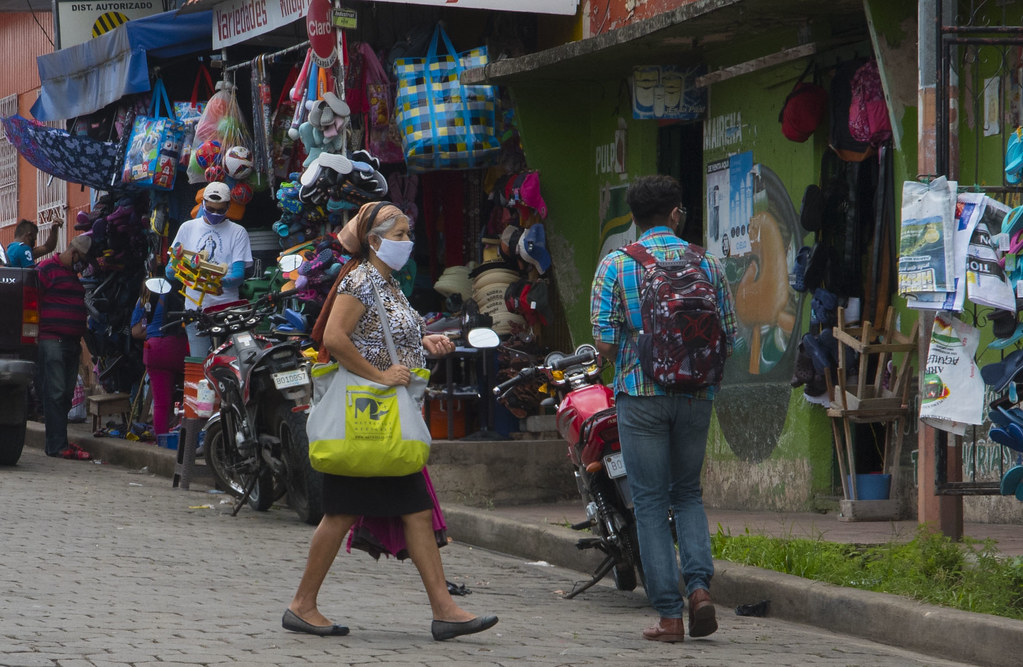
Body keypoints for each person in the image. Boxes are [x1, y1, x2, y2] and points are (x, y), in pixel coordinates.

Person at [285, 201, 498, 641]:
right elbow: (334, 338)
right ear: (375, 240)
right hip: (367, 419)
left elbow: (388, 334)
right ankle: (303, 605)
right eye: (400, 234)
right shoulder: (362, 280)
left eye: (407, 232)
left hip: (383, 423)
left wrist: (426, 340)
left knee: (415, 511)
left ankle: (444, 610)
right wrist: (381, 374)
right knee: (343, 513)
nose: (408, 241)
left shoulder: (388, 284)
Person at [590, 175, 737, 643]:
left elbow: (605, 340)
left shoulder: (616, 265)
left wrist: (639, 359)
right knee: (687, 494)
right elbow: (730, 335)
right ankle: (699, 590)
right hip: (697, 396)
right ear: (675, 213)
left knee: (650, 502)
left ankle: (670, 617)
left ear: (633, 218)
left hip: (641, 395)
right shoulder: (707, 263)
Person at [166, 182, 252, 357]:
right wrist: (181, 272)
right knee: (199, 363)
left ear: (229, 206)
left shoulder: (238, 232)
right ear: (202, 203)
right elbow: (170, 267)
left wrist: (215, 280)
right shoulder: (187, 228)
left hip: (227, 310)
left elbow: (238, 275)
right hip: (195, 311)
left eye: (220, 210)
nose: (214, 214)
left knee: (232, 363)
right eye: (210, 208)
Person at [37, 234, 94, 460]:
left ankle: (58, 441)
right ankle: (56, 445)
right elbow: (33, 300)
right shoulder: (46, 269)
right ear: (73, 253)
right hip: (52, 340)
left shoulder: (74, 276)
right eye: (82, 260)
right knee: (56, 392)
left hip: (71, 343)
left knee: (66, 395)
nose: (83, 266)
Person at [130, 283, 187, 437]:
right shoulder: (185, 290)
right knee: (193, 393)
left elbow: (136, 331)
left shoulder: (146, 296)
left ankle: (161, 441)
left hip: (154, 350)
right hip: (180, 347)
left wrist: (152, 331)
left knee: (161, 403)